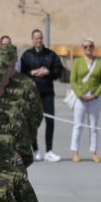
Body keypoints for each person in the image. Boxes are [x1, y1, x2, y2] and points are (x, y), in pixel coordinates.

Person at [21, 29, 64, 161]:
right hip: (32, 94)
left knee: (50, 121)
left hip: (47, 92)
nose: (38, 41)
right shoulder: (27, 55)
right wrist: (32, 72)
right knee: (32, 123)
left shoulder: (51, 55)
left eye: (40, 38)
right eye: (36, 38)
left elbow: (59, 71)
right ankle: (36, 151)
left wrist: (48, 72)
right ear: (32, 39)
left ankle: (49, 150)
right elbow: (21, 73)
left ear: (42, 39)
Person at [69, 37, 101, 163]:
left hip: (95, 98)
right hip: (80, 98)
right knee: (78, 125)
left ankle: (93, 153)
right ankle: (75, 152)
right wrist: (80, 95)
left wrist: (96, 95)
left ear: (93, 48)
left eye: (90, 46)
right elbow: (73, 80)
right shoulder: (77, 62)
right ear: (82, 48)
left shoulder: (99, 63)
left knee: (93, 127)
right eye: (86, 46)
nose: (88, 48)